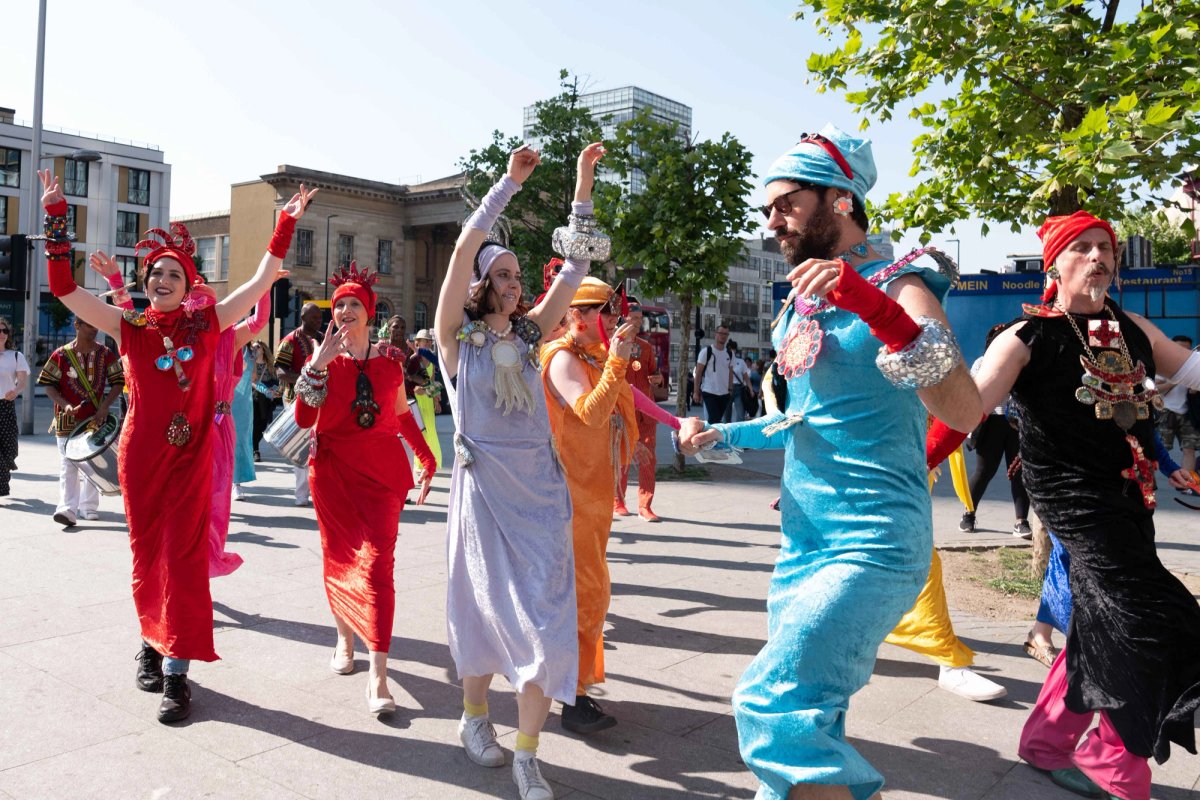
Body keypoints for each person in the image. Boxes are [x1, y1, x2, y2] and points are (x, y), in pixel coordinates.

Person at [679, 125, 979, 800]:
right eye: (767, 209)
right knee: (815, 716)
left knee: (772, 704)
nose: (772, 222)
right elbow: (800, 421)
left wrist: (874, 307)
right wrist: (720, 435)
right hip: (803, 545)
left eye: (786, 203)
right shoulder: (802, 301)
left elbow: (962, 407)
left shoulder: (904, 283)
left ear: (840, 199)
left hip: (874, 543)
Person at [932, 210, 1200, 800]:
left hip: (1131, 499)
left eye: (1106, 247)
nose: (1098, 257)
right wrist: (909, 461)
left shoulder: (1131, 328)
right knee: (1151, 621)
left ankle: (1047, 743)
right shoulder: (1023, 337)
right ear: (1054, 263)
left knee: (1101, 623)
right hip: (1073, 502)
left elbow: (1192, 371)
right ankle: (1115, 759)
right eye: (1082, 247)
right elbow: (965, 412)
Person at [39, 168, 313, 723]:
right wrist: (56, 219)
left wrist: (284, 224)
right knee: (148, 558)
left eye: (174, 274)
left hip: (191, 460)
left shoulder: (210, 324)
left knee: (184, 563)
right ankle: (150, 639)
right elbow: (65, 289)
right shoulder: (128, 327)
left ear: (189, 285)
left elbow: (260, 282)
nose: (162, 279)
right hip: (141, 459)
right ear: (146, 282)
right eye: (156, 273)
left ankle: (177, 674)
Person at [435, 143, 602, 800]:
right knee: (481, 611)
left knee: (549, 625)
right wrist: (506, 185)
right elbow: (460, 253)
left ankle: (528, 755)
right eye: (501, 274)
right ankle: (475, 717)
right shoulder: (457, 340)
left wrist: (582, 185)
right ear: (480, 286)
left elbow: (578, 265)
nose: (513, 282)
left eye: (516, 274)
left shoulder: (531, 335)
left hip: (541, 497)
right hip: (483, 497)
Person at [293, 262, 435, 715]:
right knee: (339, 560)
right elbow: (303, 420)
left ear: (369, 313)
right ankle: (344, 637)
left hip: (382, 477)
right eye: (339, 305)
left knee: (377, 567)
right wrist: (317, 366)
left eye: (355, 303)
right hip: (332, 475)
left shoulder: (392, 362)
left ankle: (378, 675)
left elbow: (401, 415)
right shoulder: (322, 360)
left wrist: (427, 456)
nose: (346, 310)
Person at [37, 316, 124, 525]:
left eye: (96, 325)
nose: (95, 329)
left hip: (95, 419)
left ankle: (89, 506)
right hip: (67, 420)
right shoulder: (61, 354)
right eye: (90, 324)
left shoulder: (106, 354)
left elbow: (118, 381)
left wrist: (105, 406)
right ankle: (67, 509)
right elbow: (48, 384)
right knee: (68, 464)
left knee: (93, 463)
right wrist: (65, 405)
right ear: (77, 325)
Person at [959, 333, 1033, 538]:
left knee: (1019, 472)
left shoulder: (1021, 362)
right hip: (990, 421)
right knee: (984, 471)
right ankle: (968, 514)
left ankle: (1021, 521)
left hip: (1016, 424)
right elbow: (974, 390)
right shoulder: (982, 362)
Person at [614, 298, 665, 521]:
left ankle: (646, 506)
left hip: (646, 413)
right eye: (633, 318)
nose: (637, 322)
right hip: (622, 411)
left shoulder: (646, 347)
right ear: (622, 319)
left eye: (639, 319)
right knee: (623, 456)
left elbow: (654, 373)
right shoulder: (613, 345)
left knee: (648, 459)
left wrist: (658, 379)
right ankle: (618, 501)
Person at [275, 302, 323, 505]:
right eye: (314, 317)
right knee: (301, 448)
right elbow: (280, 371)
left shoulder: (321, 339)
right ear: (303, 317)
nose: (318, 321)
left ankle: (318, 491)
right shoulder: (289, 341)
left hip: (320, 400)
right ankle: (301, 494)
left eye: (319, 317)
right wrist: (306, 378)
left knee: (320, 447)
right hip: (296, 400)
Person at [1155, 335, 1198, 495]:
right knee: (1156, 450)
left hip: (1187, 413)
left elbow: (1194, 390)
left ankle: (1188, 485)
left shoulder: (1192, 367)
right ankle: (1147, 483)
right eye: (1178, 348)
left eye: (1186, 349)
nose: (1182, 352)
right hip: (1165, 412)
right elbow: (1155, 389)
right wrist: (1176, 381)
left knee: (1189, 449)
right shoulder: (1162, 365)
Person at [0, 316, 30, 499]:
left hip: (6, 406)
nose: (2, 334)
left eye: (5, 330)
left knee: (10, 448)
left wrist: (16, 391)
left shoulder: (16, 356)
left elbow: (22, 381)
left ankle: (5, 467)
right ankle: (1, 484)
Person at [407, 328, 443, 472]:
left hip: (428, 399)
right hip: (416, 400)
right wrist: (415, 388)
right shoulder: (413, 359)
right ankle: (420, 463)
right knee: (420, 431)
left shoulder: (432, 360)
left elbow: (432, 383)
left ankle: (432, 461)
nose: (428, 343)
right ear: (417, 343)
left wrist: (436, 401)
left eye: (429, 341)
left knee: (431, 430)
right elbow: (409, 379)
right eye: (425, 341)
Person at [693, 324, 733, 423]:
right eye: (721, 333)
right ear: (716, 334)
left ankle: (708, 432)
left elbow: (730, 372)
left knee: (716, 421)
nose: (723, 336)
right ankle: (704, 432)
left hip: (724, 393)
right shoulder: (706, 352)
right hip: (709, 391)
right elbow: (698, 373)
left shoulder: (730, 353)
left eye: (726, 334)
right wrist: (696, 392)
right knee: (714, 419)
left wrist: (730, 389)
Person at [246, 341, 279, 463]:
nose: (255, 349)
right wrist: (265, 390)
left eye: (258, 347)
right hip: (253, 398)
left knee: (263, 425)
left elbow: (276, 381)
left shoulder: (270, 365)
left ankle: (252, 447)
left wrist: (273, 391)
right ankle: (255, 450)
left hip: (266, 400)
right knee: (254, 425)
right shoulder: (250, 363)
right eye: (253, 347)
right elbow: (251, 382)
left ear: (263, 349)